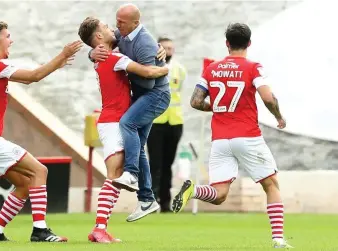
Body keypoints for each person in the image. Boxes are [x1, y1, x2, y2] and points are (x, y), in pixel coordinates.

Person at [171, 23, 293, 249]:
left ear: (227, 43)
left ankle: (194, 190)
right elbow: (268, 98)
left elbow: (196, 102)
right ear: (249, 43)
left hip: (221, 140)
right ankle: (277, 239)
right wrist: (279, 116)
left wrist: (217, 106)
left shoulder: (211, 69)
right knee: (271, 185)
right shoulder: (254, 67)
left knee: (219, 194)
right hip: (247, 136)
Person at [0, 21, 82, 242]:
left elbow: (32, 75)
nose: (11, 40)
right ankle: (40, 230)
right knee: (40, 171)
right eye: (8, 36)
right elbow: (33, 77)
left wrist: (57, 64)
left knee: (23, 184)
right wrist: (62, 55)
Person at [78, 16, 168, 243]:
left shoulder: (104, 56)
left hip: (112, 120)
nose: (112, 28)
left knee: (124, 167)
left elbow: (131, 37)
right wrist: (165, 68)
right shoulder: (114, 58)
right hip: (114, 122)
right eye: (106, 27)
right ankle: (99, 228)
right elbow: (147, 72)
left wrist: (158, 49)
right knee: (115, 175)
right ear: (99, 36)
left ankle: (108, 222)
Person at [146, 37, 187, 212]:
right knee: (154, 163)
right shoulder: (148, 67)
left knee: (168, 164)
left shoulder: (179, 69)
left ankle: (165, 202)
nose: (169, 51)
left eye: (171, 48)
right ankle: (151, 200)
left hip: (175, 121)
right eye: (165, 48)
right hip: (155, 121)